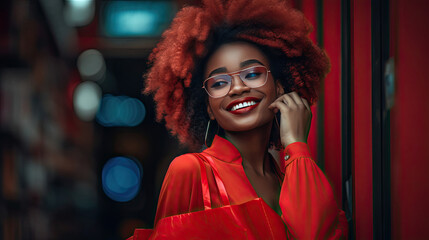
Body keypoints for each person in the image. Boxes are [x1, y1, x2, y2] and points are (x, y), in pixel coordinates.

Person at [141, 0, 348, 238]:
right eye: (219, 83)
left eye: (252, 73)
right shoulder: (192, 172)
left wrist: (296, 145)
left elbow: (314, 234)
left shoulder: (289, 177)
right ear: (208, 107)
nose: (237, 88)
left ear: (279, 87)